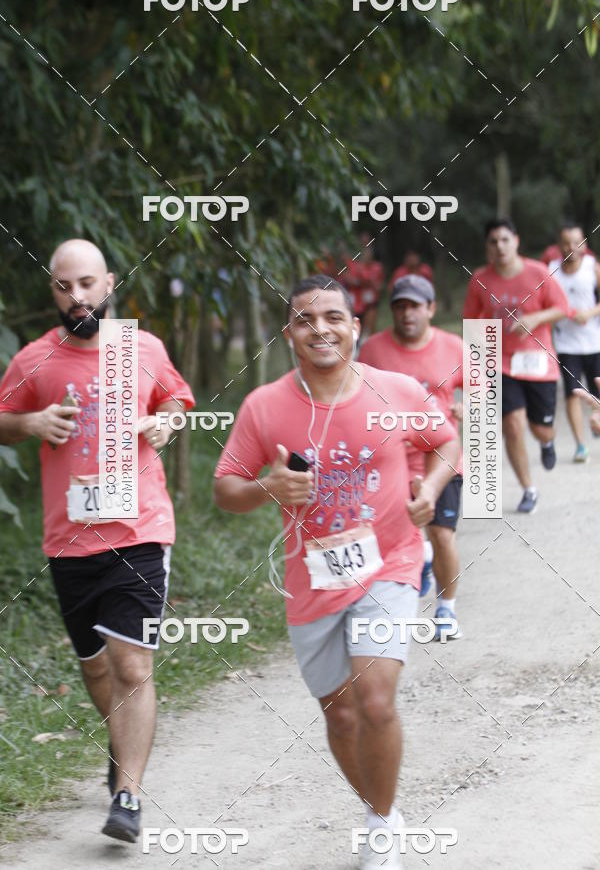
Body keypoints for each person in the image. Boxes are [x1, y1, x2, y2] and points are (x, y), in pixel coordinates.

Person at [214, 274, 459, 869]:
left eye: (332, 317)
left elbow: (447, 442)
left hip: (391, 564)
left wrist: (429, 486)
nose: (319, 328)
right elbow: (224, 489)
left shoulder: (396, 390)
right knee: (341, 713)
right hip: (313, 579)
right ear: (289, 333)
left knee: (374, 701)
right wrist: (266, 488)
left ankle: (379, 828)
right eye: (304, 319)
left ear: (354, 327)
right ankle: (382, 809)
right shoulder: (265, 406)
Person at [0, 239, 194, 842]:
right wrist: (29, 423)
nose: (76, 296)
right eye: (64, 286)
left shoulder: (142, 348)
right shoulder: (35, 359)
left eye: (86, 283)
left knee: (131, 664)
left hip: (140, 530)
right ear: (53, 290)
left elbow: (178, 398)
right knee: (95, 670)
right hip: (68, 541)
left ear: (108, 283)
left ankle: (129, 796)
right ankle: (122, 747)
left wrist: (167, 421)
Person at [360, 275, 463, 638]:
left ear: (431, 309)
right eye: (400, 306)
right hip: (391, 459)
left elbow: (483, 391)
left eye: (415, 306)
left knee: (442, 533)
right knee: (391, 534)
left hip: (440, 455)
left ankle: (447, 608)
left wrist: (467, 408)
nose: (407, 314)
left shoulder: (455, 347)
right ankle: (408, 576)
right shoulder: (371, 350)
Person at [463, 219, 569, 513]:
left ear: (516, 241)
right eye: (493, 242)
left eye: (505, 240)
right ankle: (528, 489)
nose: (500, 246)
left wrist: (535, 319)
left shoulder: (538, 272)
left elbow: (563, 309)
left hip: (538, 363)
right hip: (502, 365)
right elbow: (471, 321)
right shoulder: (480, 279)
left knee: (540, 429)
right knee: (512, 424)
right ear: (488, 248)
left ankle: (547, 442)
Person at [549, 223, 600, 462]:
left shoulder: (593, 268)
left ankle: (595, 424)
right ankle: (581, 445)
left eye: (576, 242)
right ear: (559, 245)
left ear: (584, 245)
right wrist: (568, 313)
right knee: (572, 395)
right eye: (567, 242)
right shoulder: (550, 271)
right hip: (567, 345)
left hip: (594, 343)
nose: (572, 247)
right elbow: (545, 306)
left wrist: (589, 314)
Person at [343, 233, 384, 340]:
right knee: (355, 333)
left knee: (369, 331)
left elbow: (377, 284)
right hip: (355, 304)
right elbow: (350, 280)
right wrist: (363, 282)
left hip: (370, 303)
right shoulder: (351, 264)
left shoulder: (376, 267)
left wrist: (362, 282)